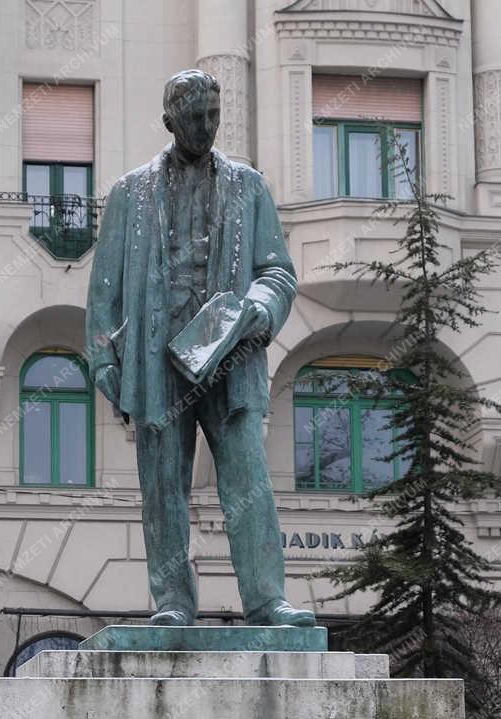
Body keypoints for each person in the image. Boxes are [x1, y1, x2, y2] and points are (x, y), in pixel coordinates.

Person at [86, 68, 315, 630]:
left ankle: (266, 600)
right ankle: (173, 601)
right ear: (169, 121)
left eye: (214, 115)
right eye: (195, 118)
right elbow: (103, 293)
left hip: (229, 355)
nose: (207, 127)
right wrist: (103, 359)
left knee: (248, 479)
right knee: (163, 486)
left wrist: (258, 310)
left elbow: (277, 271)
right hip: (154, 360)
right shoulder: (128, 194)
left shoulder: (248, 185)